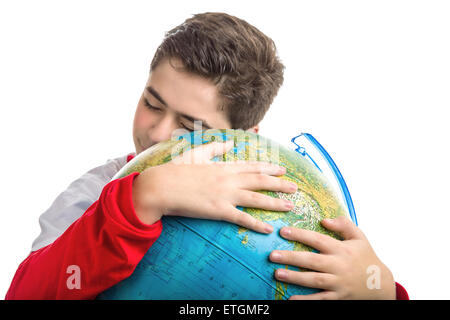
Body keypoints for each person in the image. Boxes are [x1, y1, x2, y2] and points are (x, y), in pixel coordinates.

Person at [5, 12, 408, 300]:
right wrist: (138, 200)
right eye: (152, 102)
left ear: (244, 140)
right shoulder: (96, 192)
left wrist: (380, 289)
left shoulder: (289, 201)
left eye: (190, 127)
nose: (158, 133)